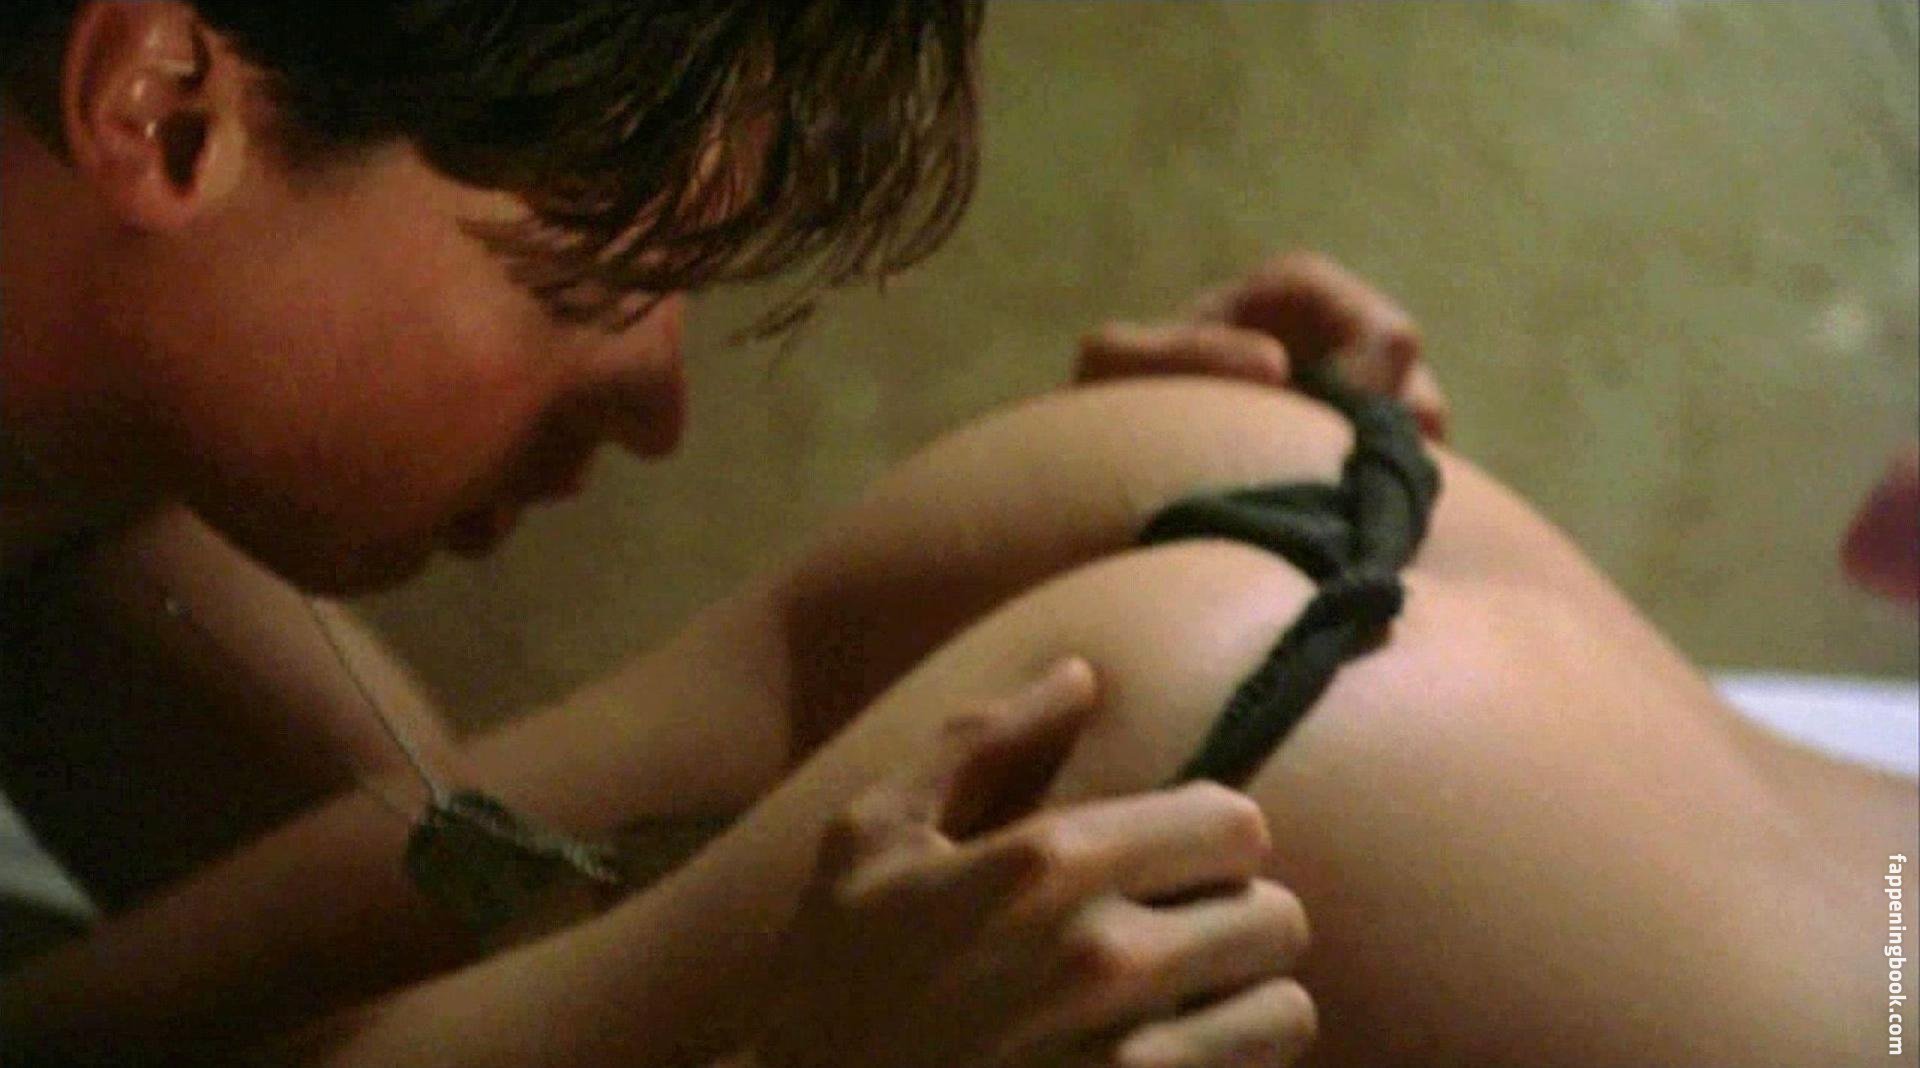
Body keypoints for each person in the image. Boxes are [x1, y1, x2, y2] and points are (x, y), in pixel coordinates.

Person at [3, 4, 1914, 1068]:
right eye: (592, 269)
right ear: (163, 111)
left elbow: (430, 904)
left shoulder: (89, 504)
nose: (661, 404)